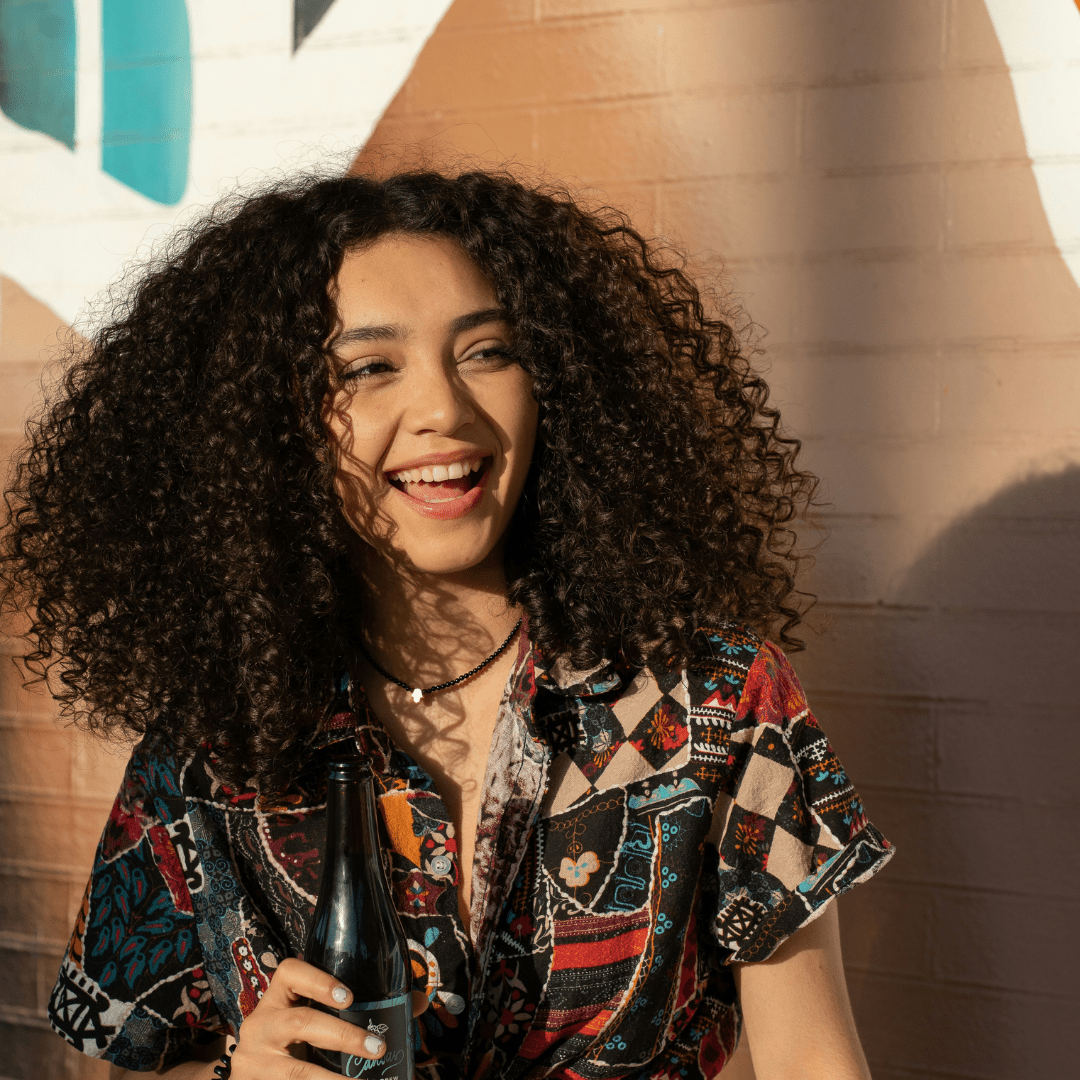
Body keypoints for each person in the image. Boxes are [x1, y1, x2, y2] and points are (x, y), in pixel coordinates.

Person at [2, 168, 893, 1079]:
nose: (443, 410)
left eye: (488, 351)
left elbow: (814, 1057)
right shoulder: (210, 742)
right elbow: (142, 1060)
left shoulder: (715, 696)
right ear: (273, 426)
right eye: (368, 367)